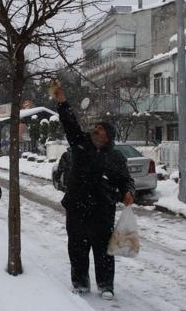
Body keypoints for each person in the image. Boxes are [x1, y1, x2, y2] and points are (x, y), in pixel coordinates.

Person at [51, 83, 134, 300]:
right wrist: (62, 102)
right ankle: (80, 283)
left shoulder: (115, 158)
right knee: (77, 249)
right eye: (95, 129)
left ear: (108, 137)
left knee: (103, 251)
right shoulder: (81, 145)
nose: (95, 131)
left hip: (102, 211)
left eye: (100, 130)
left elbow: (126, 181)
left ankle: (106, 285)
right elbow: (70, 124)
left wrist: (128, 193)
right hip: (77, 208)